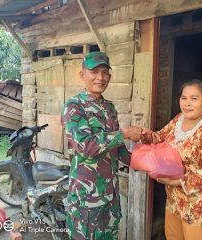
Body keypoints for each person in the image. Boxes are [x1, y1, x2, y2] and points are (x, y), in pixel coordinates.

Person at [61, 51, 142, 240]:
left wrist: (146, 163)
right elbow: (86, 146)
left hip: (110, 195)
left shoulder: (109, 108)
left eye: (105, 72)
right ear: (82, 75)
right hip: (86, 199)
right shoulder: (75, 107)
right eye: (94, 71)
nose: (100, 77)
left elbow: (117, 148)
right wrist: (126, 133)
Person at [142, 79, 202, 240]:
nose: (187, 103)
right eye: (184, 98)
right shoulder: (178, 120)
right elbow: (161, 138)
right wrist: (147, 136)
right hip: (175, 200)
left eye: (194, 98)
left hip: (200, 204)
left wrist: (176, 181)